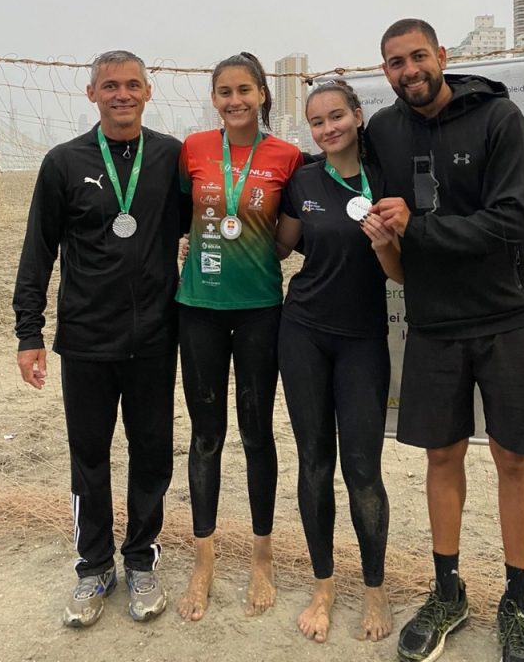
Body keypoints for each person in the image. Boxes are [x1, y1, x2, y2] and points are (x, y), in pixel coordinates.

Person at [366, 19, 524, 662]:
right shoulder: (384, 132)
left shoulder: (500, 118)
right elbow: (356, 194)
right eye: (395, 62)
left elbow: (511, 222)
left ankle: (517, 603)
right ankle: (448, 592)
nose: (409, 69)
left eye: (418, 56)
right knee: (440, 458)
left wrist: (415, 229)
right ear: (385, 71)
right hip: (434, 323)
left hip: (508, 316)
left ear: (442, 56)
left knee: (513, 460)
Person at [13, 50, 189, 629]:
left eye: (132, 84)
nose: (122, 94)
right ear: (91, 94)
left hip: (156, 340)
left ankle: (140, 559)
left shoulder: (169, 157)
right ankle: (93, 567)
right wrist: (29, 331)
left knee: (152, 455)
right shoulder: (64, 162)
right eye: (110, 85)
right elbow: (38, 249)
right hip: (86, 340)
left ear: (148, 92)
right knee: (89, 458)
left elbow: (207, 219)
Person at [175, 51, 303, 621]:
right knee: (206, 436)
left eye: (244, 90)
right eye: (224, 91)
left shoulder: (288, 156)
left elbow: (288, 235)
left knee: (256, 434)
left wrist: (251, 251)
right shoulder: (194, 149)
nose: (234, 101)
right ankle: (203, 560)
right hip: (197, 308)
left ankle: (261, 556)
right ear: (215, 98)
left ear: (262, 94)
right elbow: (181, 216)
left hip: (259, 310)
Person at [275, 80, 402, 645]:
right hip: (300, 331)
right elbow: (278, 246)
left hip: (363, 340)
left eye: (336, 116)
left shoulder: (387, 177)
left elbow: (401, 274)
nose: (328, 128)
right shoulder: (302, 179)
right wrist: (201, 235)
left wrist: (381, 242)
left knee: (363, 471)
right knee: (313, 464)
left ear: (357, 115)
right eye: (317, 121)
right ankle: (323, 585)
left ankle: (374, 588)